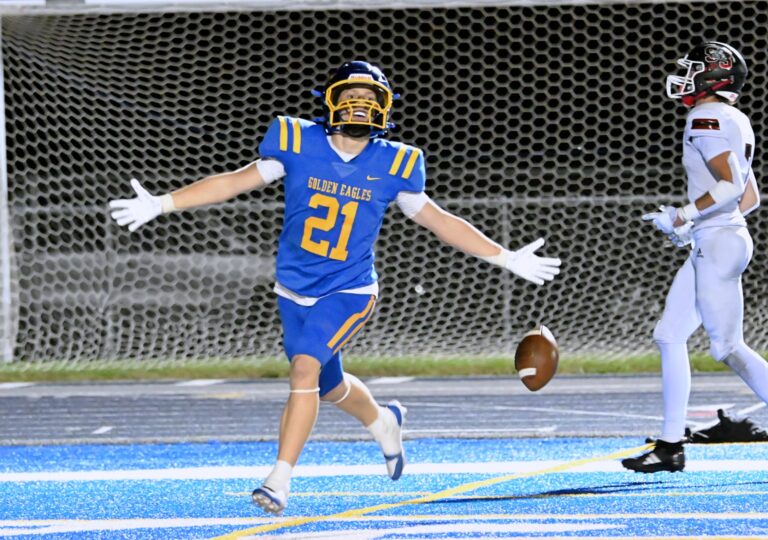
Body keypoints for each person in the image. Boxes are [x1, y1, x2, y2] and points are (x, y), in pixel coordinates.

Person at [108, 60, 562, 512]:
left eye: (370, 101)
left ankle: (278, 480)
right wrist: (163, 203)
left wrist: (505, 257)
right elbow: (234, 182)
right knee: (328, 385)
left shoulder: (397, 163)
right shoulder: (296, 140)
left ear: (384, 109)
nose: (360, 107)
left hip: (349, 290)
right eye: (351, 98)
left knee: (303, 369)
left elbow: (439, 221)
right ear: (330, 102)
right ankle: (384, 422)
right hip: (292, 289)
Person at [623, 42, 765, 473]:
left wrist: (683, 215)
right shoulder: (732, 118)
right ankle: (670, 444)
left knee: (728, 346)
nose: (684, 74)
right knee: (669, 334)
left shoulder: (706, 116)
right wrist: (694, 226)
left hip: (720, 242)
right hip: (718, 238)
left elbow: (728, 187)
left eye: (693, 68)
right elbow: (751, 197)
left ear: (713, 76)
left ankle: (670, 445)